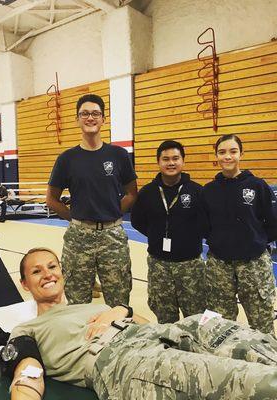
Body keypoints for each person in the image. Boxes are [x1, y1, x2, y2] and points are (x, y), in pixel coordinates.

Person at [2, 247, 277, 400]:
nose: (48, 274)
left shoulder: (89, 306)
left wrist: (120, 310)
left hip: (152, 335)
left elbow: (146, 323)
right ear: (25, 283)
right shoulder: (27, 329)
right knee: (234, 377)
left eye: (52, 266)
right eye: (37, 271)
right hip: (120, 359)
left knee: (216, 326)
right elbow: (27, 376)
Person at [46, 94, 137, 307]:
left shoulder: (119, 155)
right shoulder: (67, 159)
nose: (90, 118)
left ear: (103, 119)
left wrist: (111, 214)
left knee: (119, 303)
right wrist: (77, 218)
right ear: (77, 119)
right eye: (84, 113)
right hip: (78, 238)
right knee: (77, 304)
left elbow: (132, 193)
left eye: (95, 113)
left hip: (113, 237)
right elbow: (52, 199)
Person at [200, 134, 277, 334]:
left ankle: (265, 363)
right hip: (219, 265)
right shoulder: (208, 190)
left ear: (241, 154)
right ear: (216, 156)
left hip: (253, 264)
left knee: (262, 324)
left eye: (233, 151)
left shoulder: (258, 186)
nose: (227, 157)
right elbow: (204, 225)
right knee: (219, 325)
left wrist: (256, 242)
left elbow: (272, 223)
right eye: (222, 152)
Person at [131, 140, 205, 323]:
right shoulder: (147, 192)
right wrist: (156, 235)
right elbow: (137, 221)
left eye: (175, 158)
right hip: (159, 265)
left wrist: (186, 238)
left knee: (195, 317)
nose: (171, 163)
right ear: (159, 162)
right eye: (165, 159)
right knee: (164, 317)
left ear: (183, 161)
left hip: (190, 265)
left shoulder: (197, 191)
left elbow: (206, 223)